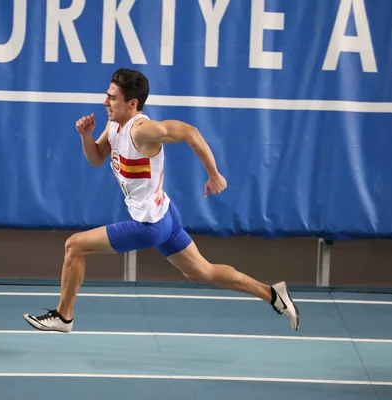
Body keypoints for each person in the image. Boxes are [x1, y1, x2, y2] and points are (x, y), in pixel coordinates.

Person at [23, 68, 300, 333]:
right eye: (106, 94)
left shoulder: (142, 130)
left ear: (132, 103)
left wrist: (214, 174)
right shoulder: (114, 125)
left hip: (148, 226)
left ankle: (63, 315)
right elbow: (96, 158)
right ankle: (273, 295)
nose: (104, 101)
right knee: (202, 271)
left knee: (74, 246)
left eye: (112, 97)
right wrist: (86, 137)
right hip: (166, 215)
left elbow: (190, 132)